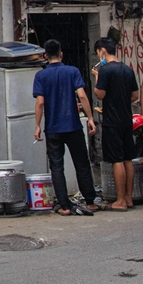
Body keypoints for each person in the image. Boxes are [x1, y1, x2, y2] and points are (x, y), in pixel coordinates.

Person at [32, 39, 101, 216]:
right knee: (82, 163)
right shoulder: (72, 71)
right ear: (61, 54)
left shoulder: (41, 76)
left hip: (53, 128)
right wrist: (90, 118)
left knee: (57, 167)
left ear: (45, 56)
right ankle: (90, 202)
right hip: (73, 126)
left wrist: (37, 125)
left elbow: (40, 103)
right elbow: (82, 96)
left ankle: (65, 206)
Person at [93, 37, 139, 211]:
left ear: (102, 51)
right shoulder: (127, 69)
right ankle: (128, 198)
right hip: (127, 119)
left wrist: (97, 78)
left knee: (117, 160)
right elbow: (135, 95)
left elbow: (100, 94)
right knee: (128, 159)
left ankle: (120, 200)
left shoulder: (105, 70)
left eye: (98, 53)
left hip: (112, 121)